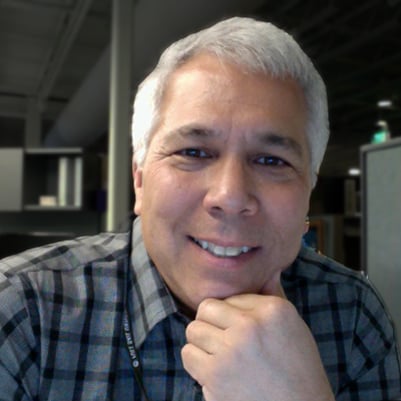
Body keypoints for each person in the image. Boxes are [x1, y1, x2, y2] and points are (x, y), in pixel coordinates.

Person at [0, 16, 400, 401]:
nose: (230, 196)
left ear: (308, 189)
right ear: (139, 179)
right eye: (192, 152)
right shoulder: (22, 312)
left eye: (271, 160)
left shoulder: (352, 313)